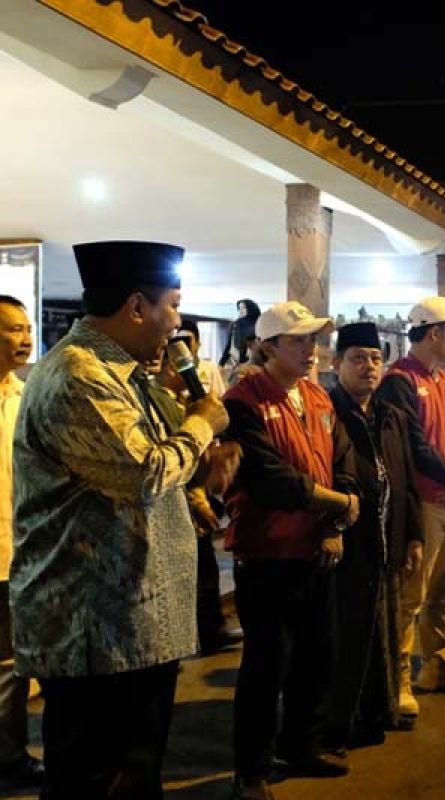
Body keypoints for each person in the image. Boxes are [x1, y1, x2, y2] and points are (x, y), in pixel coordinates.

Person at [12, 241, 238, 799]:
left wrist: (202, 459)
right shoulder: (79, 375)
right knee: (95, 779)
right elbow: (145, 473)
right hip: (95, 627)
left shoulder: (128, 374)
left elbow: (168, 472)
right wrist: (203, 423)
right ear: (137, 307)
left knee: (135, 773)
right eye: (174, 305)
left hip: (134, 622)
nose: (178, 322)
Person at [223, 301, 359, 798]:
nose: (312, 350)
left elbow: (341, 459)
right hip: (267, 553)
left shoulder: (317, 398)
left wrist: (335, 521)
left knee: (316, 653)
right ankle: (250, 769)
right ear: (269, 346)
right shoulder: (242, 401)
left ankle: (301, 744)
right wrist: (340, 502)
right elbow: (268, 478)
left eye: (315, 341)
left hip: (315, 547)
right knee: (266, 663)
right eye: (300, 341)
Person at [376, 296, 445, 701]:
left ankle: (437, 665)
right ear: (435, 332)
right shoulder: (399, 381)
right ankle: (399, 679)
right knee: (411, 595)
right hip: (424, 503)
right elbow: (415, 448)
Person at [325, 322, 424, 748]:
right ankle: (339, 725)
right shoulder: (328, 414)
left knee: (382, 630)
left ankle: (376, 712)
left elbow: (407, 482)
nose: (368, 367)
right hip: (349, 545)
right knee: (346, 638)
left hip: (388, 540)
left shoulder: (392, 416)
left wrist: (414, 536)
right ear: (336, 364)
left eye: (375, 358)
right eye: (358, 358)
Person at [155, 348, 243, 656]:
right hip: (168, 520)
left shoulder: (180, 404)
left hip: (183, 516)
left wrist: (210, 467)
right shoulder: (152, 402)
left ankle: (202, 634)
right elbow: (154, 472)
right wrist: (198, 500)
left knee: (203, 574)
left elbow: (189, 465)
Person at [0, 296, 39, 786]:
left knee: (12, 668)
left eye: (28, 327)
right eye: (13, 329)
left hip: (17, 556)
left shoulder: (24, 396)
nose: (26, 337)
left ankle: (8, 758)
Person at [176, 318, 227, 398]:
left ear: (198, 344)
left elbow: (221, 397)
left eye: (187, 340)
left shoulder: (210, 368)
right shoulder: (171, 371)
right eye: (180, 340)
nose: (184, 345)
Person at [220, 298, 261, 368]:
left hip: (253, 364)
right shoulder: (236, 325)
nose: (241, 310)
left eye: (244, 308)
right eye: (239, 308)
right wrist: (221, 363)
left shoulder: (259, 325)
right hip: (235, 362)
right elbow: (229, 345)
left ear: (250, 308)